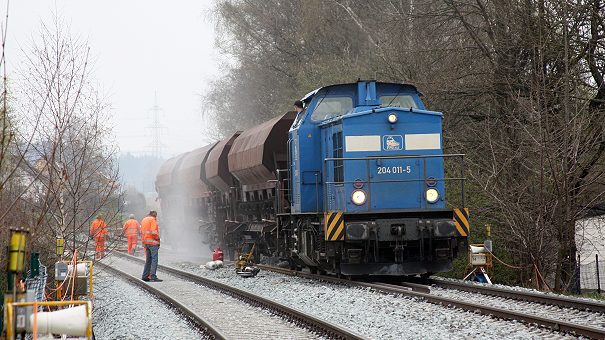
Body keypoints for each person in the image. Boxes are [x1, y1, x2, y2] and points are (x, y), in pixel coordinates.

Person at [141, 211, 162, 282]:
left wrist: (143, 242)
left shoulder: (144, 220)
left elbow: (142, 232)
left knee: (148, 260)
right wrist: (158, 240)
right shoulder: (153, 220)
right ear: (155, 216)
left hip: (146, 243)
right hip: (153, 243)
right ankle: (153, 276)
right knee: (154, 260)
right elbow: (154, 232)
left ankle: (145, 276)